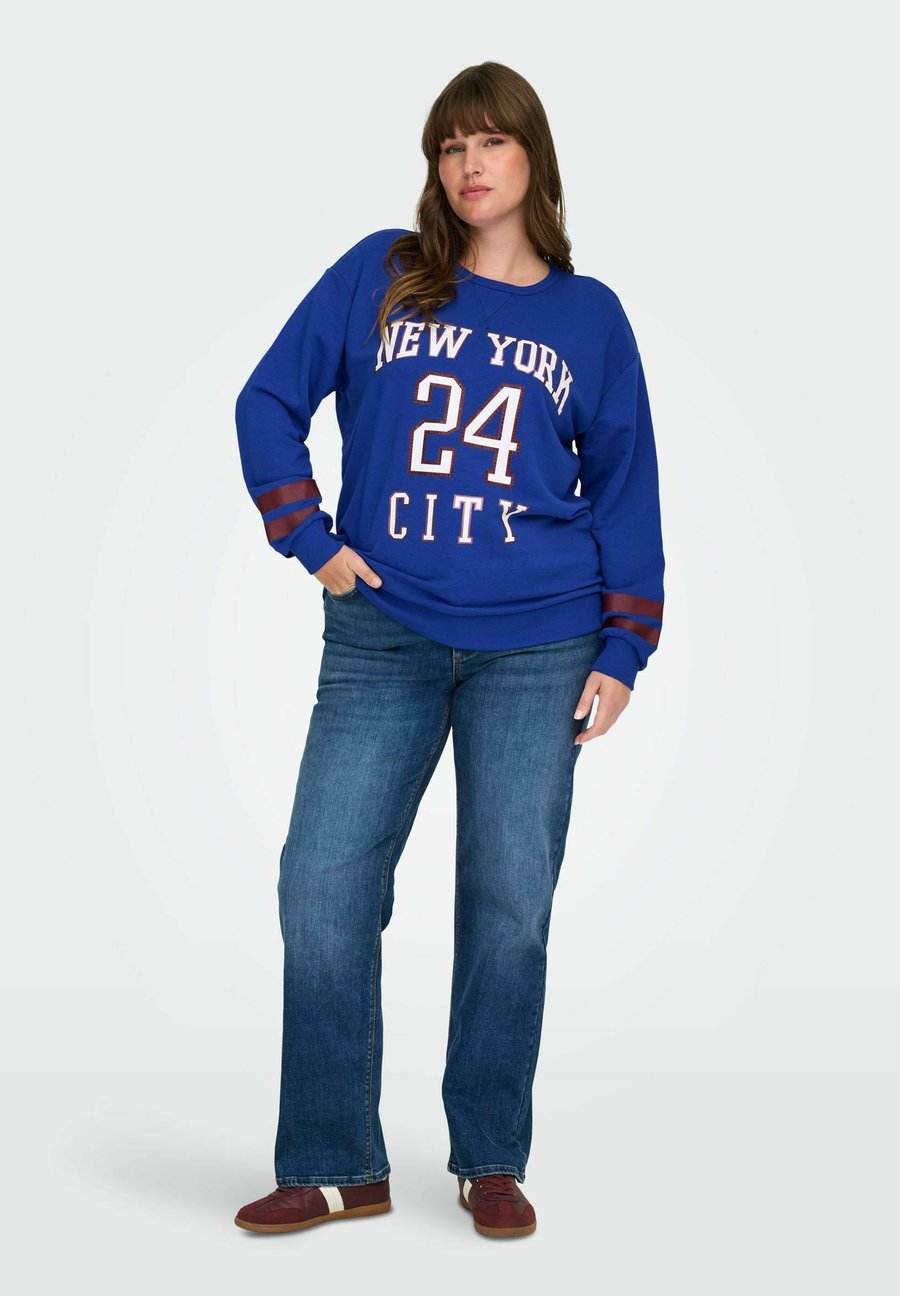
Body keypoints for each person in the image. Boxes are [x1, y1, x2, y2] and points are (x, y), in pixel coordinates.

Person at [231, 61, 665, 1240]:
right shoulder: (382, 273)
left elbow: (624, 483)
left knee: (509, 902)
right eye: (449, 146)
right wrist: (309, 537)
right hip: (383, 633)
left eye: (491, 142)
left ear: (534, 158)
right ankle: (336, 1163)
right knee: (322, 885)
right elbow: (268, 400)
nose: (469, 165)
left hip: (543, 643)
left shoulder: (588, 317)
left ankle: (489, 1156)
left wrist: (625, 645)